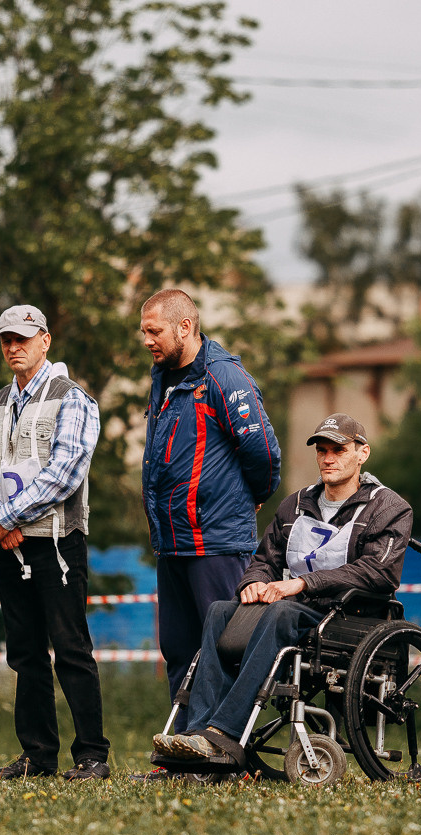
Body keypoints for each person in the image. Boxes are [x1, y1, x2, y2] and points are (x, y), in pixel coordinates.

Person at [149, 413, 412, 766]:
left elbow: (377, 573)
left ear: (362, 453)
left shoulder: (389, 507)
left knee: (280, 612)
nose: (328, 458)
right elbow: (265, 558)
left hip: (349, 615)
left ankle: (225, 733)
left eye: (339, 449)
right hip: (293, 607)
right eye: (322, 451)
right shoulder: (296, 503)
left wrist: (304, 582)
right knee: (219, 611)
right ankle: (199, 734)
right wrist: (253, 581)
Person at [0, 304, 112, 781]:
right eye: (6, 340)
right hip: (8, 544)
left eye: (22, 338)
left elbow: (65, 474)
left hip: (56, 543)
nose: (13, 347)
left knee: (71, 649)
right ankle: (37, 756)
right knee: (25, 653)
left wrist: (4, 516)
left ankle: (92, 756)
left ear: (45, 341)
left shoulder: (73, 399)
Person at [139, 289, 282, 723]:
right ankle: (183, 749)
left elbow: (264, 454)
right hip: (173, 543)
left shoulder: (225, 377)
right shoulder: (161, 375)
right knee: (180, 651)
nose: (147, 340)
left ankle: (223, 749)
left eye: (154, 331)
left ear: (185, 327)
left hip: (217, 541)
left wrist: (249, 499)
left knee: (227, 648)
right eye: (143, 332)